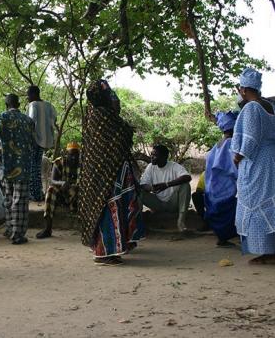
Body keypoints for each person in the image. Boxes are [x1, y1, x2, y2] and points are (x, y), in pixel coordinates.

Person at [78, 80, 144, 266]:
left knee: (115, 206)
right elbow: (123, 133)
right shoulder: (102, 116)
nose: (117, 102)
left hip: (110, 171)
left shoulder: (94, 115)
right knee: (107, 207)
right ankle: (104, 252)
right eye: (112, 97)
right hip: (106, 174)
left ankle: (117, 245)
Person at [231, 67, 275, 265]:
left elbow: (250, 138)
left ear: (242, 89)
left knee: (255, 202)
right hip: (270, 159)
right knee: (270, 201)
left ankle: (267, 252)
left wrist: (239, 156)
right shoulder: (270, 106)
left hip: (257, 161)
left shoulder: (252, 107)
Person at [0, 94, 35, 245]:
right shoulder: (28, 121)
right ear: (19, 103)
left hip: (7, 165)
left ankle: (10, 229)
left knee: (9, 197)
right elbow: (33, 142)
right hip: (24, 165)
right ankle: (17, 234)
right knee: (20, 200)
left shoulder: (2, 117)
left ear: (6, 104)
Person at [204, 111, 238, 247]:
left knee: (218, 211)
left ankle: (222, 238)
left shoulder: (219, 143)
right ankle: (225, 238)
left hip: (212, 184)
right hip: (225, 185)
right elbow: (233, 165)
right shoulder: (230, 143)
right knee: (228, 211)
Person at [140, 145, 192, 232]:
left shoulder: (173, 166)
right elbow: (143, 184)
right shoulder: (150, 167)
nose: (151, 157)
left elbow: (187, 177)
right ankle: (139, 222)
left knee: (185, 185)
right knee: (139, 192)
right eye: (151, 154)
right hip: (157, 202)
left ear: (164, 157)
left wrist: (167, 185)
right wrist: (151, 188)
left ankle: (181, 221)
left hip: (173, 203)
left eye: (155, 155)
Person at [36, 142, 81, 239]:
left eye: (76, 154)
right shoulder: (58, 162)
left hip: (78, 195)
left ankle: (86, 230)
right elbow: (52, 180)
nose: (73, 157)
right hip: (62, 194)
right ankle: (48, 228)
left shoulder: (83, 164)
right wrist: (62, 183)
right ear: (66, 153)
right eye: (71, 154)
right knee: (51, 190)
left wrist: (76, 187)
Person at [26, 85, 57, 202]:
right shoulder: (49, 105)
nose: (27, 98)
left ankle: (36, 195)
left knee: (33, 167)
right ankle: (39, 193)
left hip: (35, 140)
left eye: (28, 95)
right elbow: (54, 119)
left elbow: (31, 121)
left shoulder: (33, 105)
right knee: (37, 166)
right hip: (45, 140)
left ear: (33, 94)